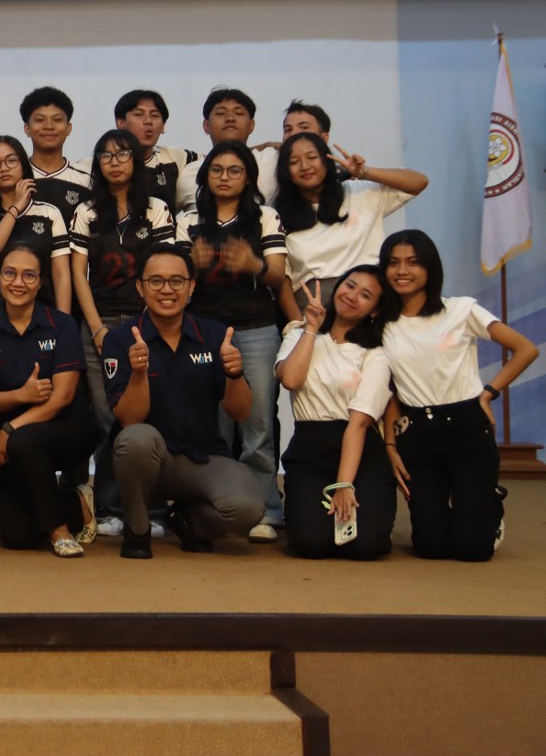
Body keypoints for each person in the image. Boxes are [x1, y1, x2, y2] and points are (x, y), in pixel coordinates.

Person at [379, 231, 537, 562]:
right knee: (431, 547)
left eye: (412, 262)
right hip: (416, 434)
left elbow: (525, 349)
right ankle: (464, 515)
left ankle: (488, 505)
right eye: (393, 263)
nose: (402, 271)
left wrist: (489, 393)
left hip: (467, 428)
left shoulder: (461, 310)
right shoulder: (381, 324)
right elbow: (389, 391)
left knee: (473, 549)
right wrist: (390, 446)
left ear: (430, 267)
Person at [105, 245, 264, 559]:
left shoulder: (215, 334)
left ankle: (189, 521)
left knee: (248, 509)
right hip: (147, 460)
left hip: (203, 458)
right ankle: (137, 527)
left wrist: (234, 373)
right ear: (140, 287)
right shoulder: (121, 339)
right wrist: (139, 373)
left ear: (191, 287)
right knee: (136, 439)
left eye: (177, 281)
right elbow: (130, 419)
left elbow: (241, 412)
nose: (167, 290)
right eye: (156, 281)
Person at [175, 140, 294, 542]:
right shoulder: (188, 220)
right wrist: (192, 266)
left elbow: (278, 275)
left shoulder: (264, 217)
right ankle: (219, 507)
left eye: (234, 171)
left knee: (257, 425)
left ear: (249, 178)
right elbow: (175, 278)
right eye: (217, 170)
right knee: (214, 427)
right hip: (202, 331)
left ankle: (266, 509)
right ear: (205, 176)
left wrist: (253, 264)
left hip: (256, 328)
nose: (224, 178)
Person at [70, 128, 173, 534]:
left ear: (136, 161)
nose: (114, 162)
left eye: (122, 154)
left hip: (148, 324)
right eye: (106, 155)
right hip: (100, 323)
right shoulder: (87, 211)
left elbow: (165, 267)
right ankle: (111, 507)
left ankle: (154, 510)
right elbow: (78, 275)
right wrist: (96, 328)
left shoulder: (157, 209)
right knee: (106, 416)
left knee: (153, 416)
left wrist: (151, 322)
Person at [0, 245, 96, 556]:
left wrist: (11, 428)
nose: (18, 282)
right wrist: (20, 396)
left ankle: (59, 531)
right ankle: (77, 503)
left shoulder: (62, 325)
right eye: (10, 273)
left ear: (40, 282)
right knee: (16, 535)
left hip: (68, 429)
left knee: (23, 440)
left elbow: (62, 397)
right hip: (10, 444)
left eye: (28, 275)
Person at [275, 266, 398, 560]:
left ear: (375, 310)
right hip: (309, 452)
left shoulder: (375, 353)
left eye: (365, 295)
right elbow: (290, 379)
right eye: (350, 286)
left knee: (366, 547)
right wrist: (311, 328)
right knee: (311, 545)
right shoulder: (298, 334)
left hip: (361, 451)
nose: (352, 296)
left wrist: (344, 484)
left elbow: (359, 423)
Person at [272, 131, 428, 309]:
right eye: (294, 162)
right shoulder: (277, 215)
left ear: (327, 160)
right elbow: (283, 281)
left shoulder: (360, 192)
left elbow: (418, 182)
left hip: (372, 300)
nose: (305, 166)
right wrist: (297, 322)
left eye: (312, 157)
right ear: (285, 171)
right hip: (315, 307)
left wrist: (365, 172)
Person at [0, 135, 71, 317]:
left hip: (41, 316)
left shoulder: (49, 213)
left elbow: (61, 274)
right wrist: (15, 209)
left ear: (23, 165)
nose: (4, 168)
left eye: (11, 160)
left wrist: (64, 322)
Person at [114, 89, 198, 213]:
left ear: (163, 126)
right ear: (120, 123)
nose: (148, 121)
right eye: (139, 114)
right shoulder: (103, 162)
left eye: (154, 115)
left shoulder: (174, 157)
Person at [20, 86, 91, 225]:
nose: (49, 126)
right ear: (27, 128)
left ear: (68, 128)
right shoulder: (14, 176)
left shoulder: (87, 179)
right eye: (40, 120)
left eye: (57, 120)